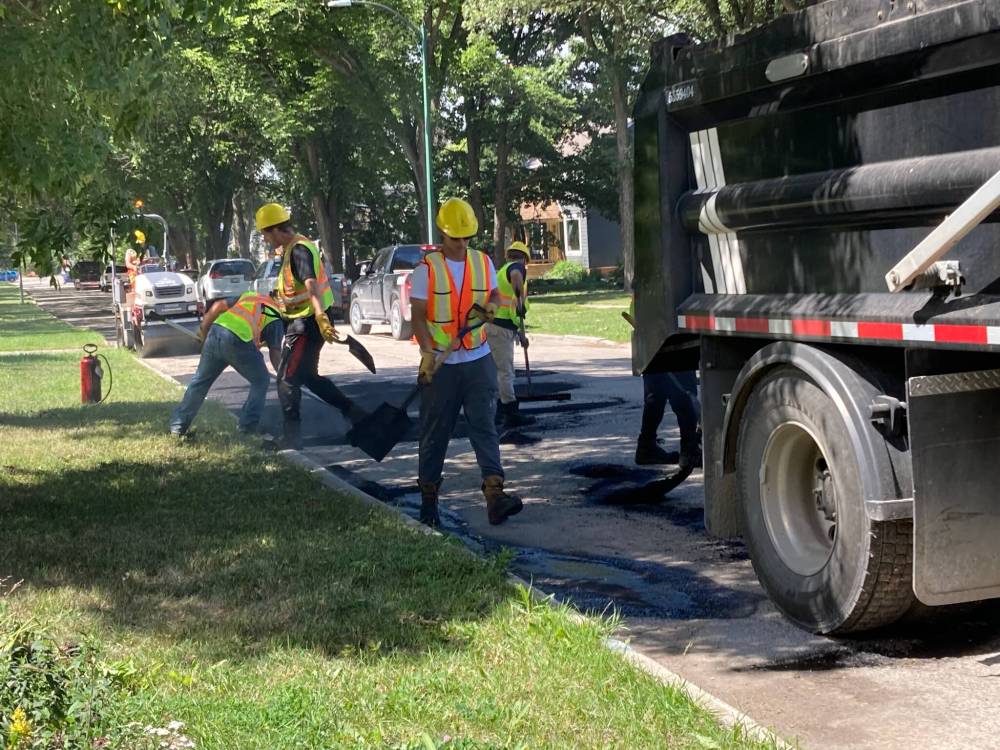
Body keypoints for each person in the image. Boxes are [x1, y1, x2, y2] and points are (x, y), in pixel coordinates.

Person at [410, 197, 523, 528]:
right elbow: (417, 318)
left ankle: (495, 496)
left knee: (484, 426)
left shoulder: (483, 262)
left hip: (478, 359)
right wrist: (428, 353)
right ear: (442, 234)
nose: (461, 244)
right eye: (454, 238)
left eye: (465, 238)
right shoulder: (426, 270)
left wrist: (490, 307)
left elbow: (494, 296)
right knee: (435, 433)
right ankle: (429, 502)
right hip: (442, 366)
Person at [254, 203, 365, 449]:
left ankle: (292, 438)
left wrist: (320, 316)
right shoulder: (293, 248)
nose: (264, 239)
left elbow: (311, 284)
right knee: (309, 378)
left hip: (307, 324)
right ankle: (357, 415)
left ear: (274, 230)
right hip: (305, 321)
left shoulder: (299, 250)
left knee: (286, 379)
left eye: (264, 234)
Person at [170, 291, 284, 437]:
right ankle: (247, 429)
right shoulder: (275, 317)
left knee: (200, 382)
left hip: (216, 331)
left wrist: (204, 334)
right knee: (261, 380)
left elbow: (217, 306)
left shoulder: (250, 296)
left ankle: (177, 427)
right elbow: (275, 354)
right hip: (236, 341)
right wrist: (284, 377)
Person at [624, 299, 701, 468]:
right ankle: (689, 451)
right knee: (683, 394)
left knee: (656, 396)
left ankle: (646, 447)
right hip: (668, 331)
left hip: (650, 332)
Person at [486, 241, 535, 430]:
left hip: (499, 328)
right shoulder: (517, 268)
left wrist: (521, 334)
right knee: (505, 372)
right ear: (524, 259)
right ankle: (511, 412)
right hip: (499, 330)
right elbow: (515, 277)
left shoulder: (503, 269)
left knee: (499, 371)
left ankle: (499, 410)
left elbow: (513, 313)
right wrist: (519, 294)